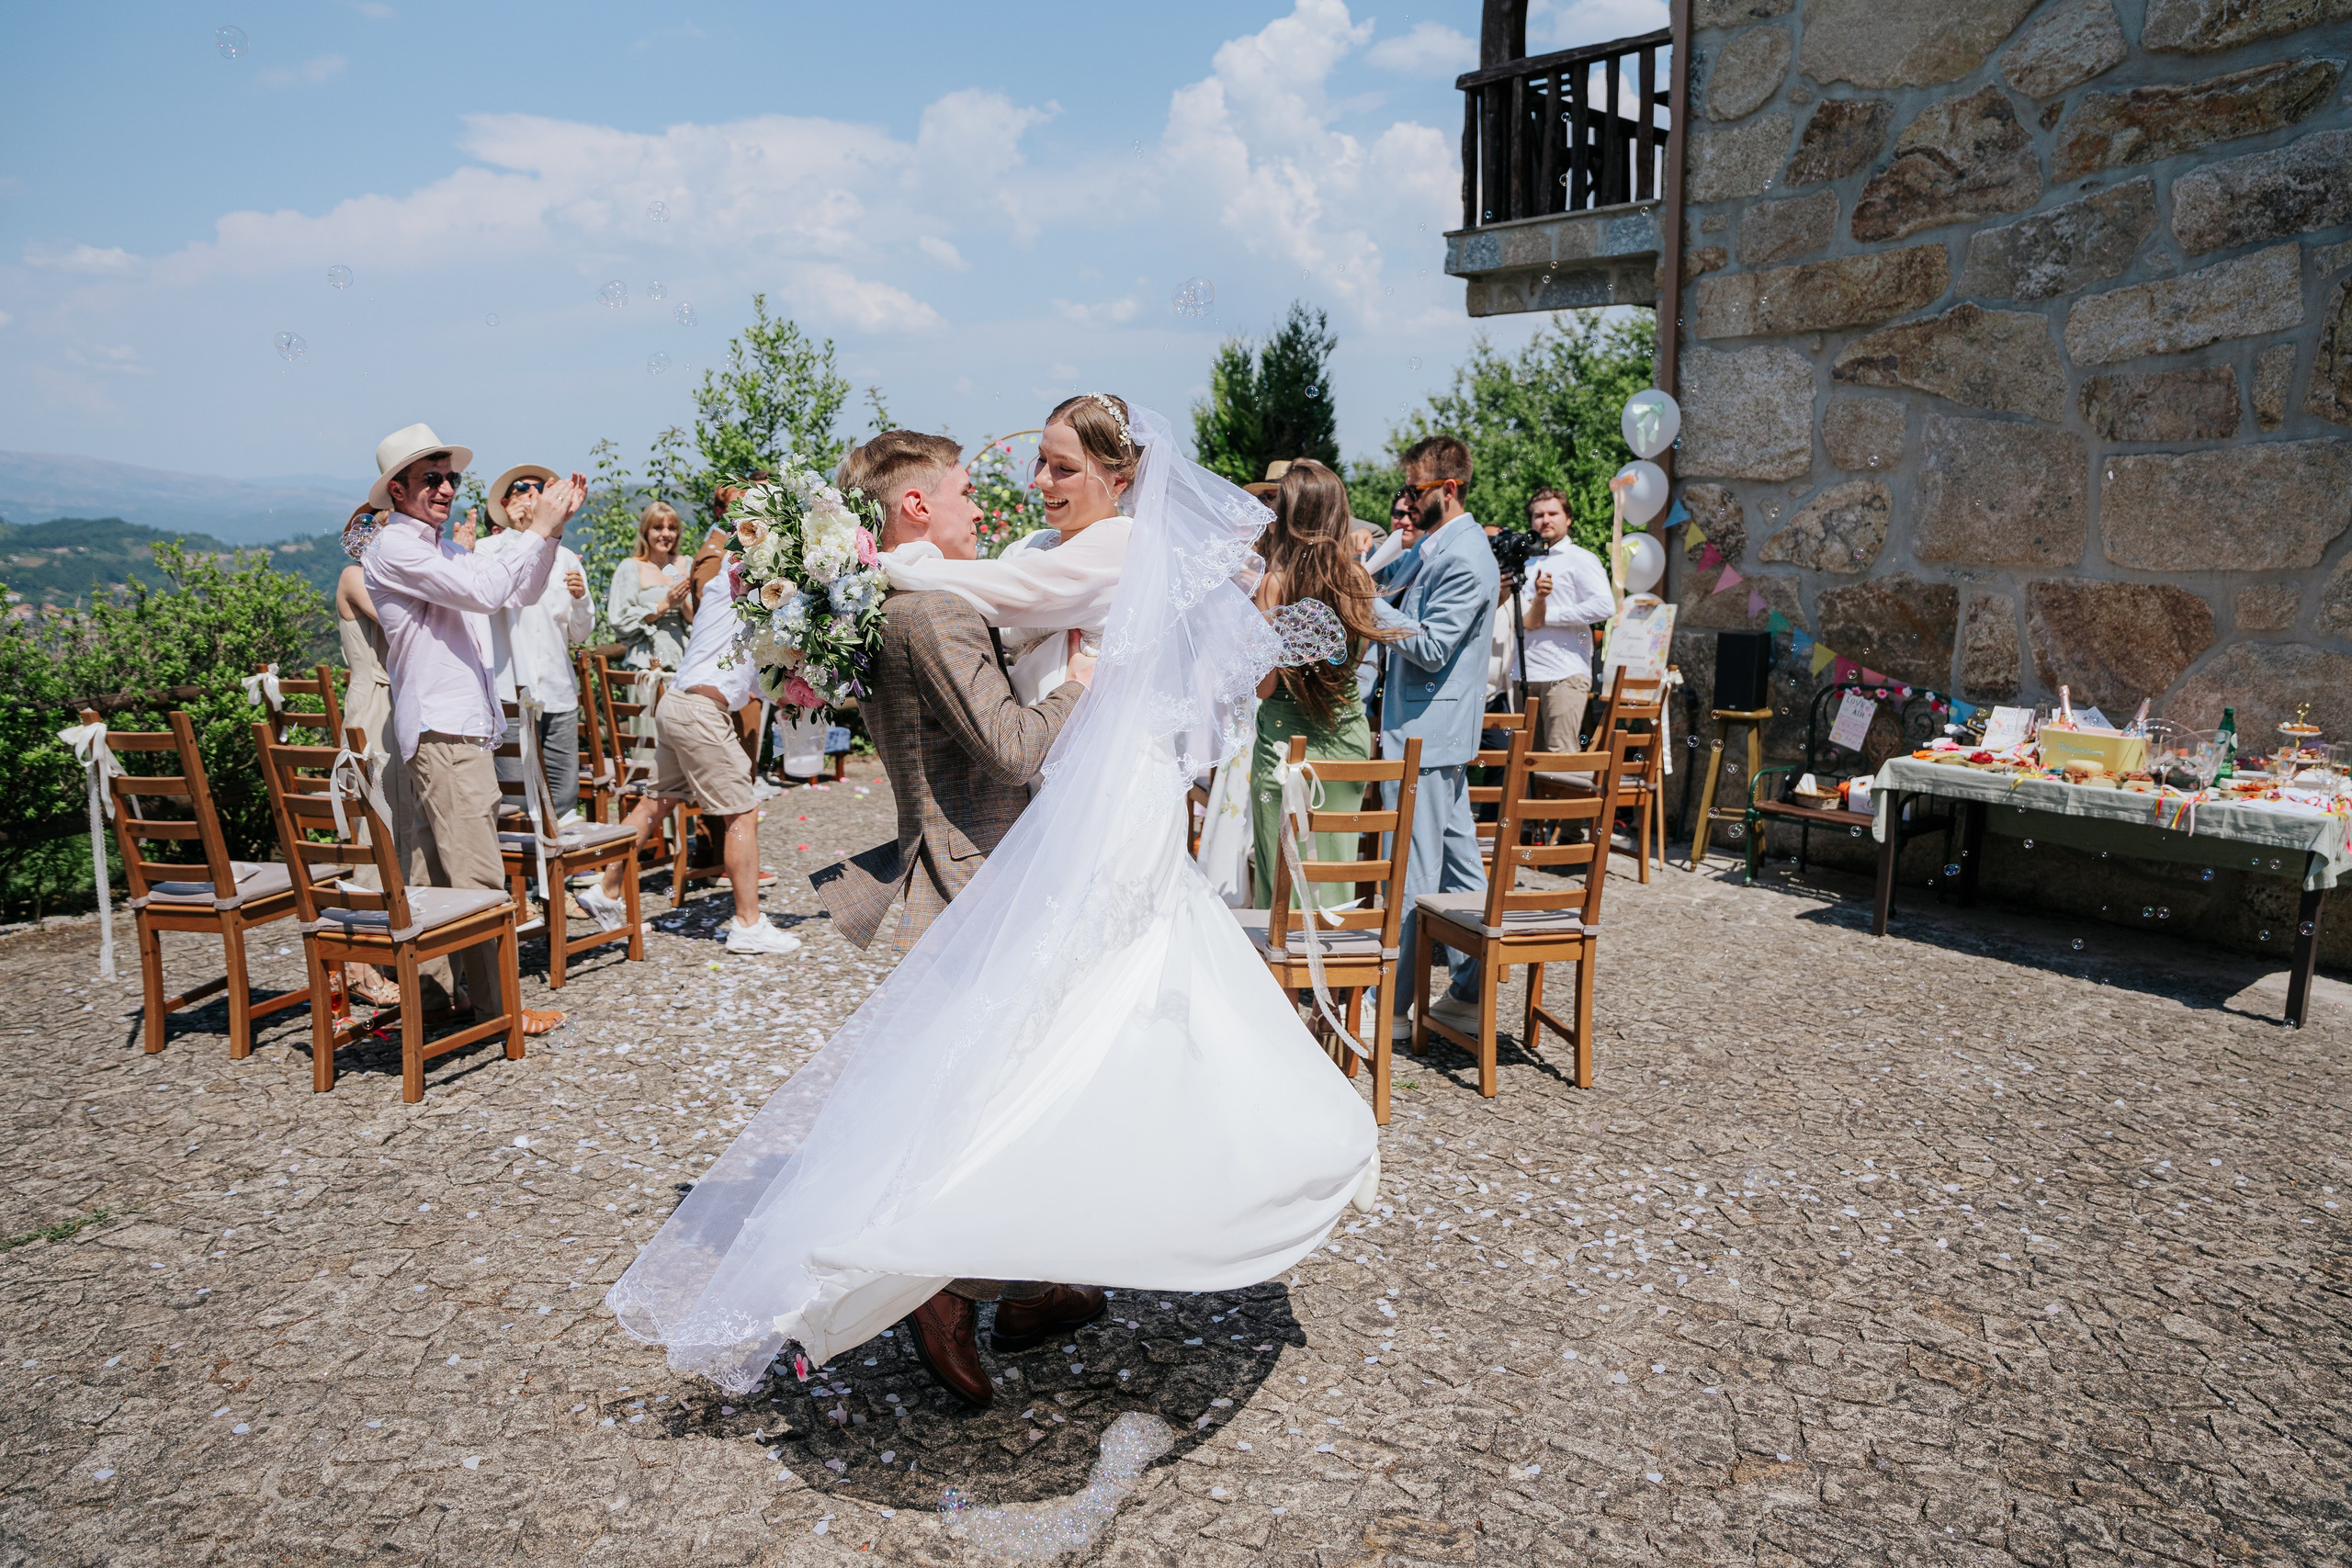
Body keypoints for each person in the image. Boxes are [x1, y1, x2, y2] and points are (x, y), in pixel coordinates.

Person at [608, 395, 1379, 1404]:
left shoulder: (1110, 553)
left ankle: (1023, 1267)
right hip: (1062, 825)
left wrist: (856, 565)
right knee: (1049, 1044)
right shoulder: (1053, 563)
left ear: (1120, 476)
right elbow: (1004, 652)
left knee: (1069, 1039)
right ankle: (978, 1272)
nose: (1038, 486)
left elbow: (996, 589)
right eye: (1038, 467)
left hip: (1100, 820)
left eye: (1062, 468)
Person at [808, 427, 1102, 1403]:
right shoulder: (930, 612)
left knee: (1004, 1087)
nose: (989, 508)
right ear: (917, 508)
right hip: (968, 878)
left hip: (976, 869)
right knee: (973, 1100)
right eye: (969, 492)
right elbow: (1013, 750)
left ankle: (1036, 1282)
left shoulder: (919, 600)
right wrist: (1078, 690)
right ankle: (942, 1295)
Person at [361, 423, 580, 1033]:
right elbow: (487, 590)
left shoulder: (438, 547)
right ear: (397, 490)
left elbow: (518, 588)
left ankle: (437, 998)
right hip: (446, 729)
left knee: (434, 869)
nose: (446, 487)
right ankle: (499, 1008)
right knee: (480, 873)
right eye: (431, 478)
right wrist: (537, 527)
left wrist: (553, 529)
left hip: (446, 726)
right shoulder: (398, 548)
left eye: (450, 476)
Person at [576, 506, 800, 956]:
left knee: (655, 802)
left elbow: (751, 674)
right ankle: (748, 925)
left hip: (676, 704)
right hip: (700, 711)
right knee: (740, 812)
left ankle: (606, 891)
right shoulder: (737, 584)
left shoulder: (733, 597)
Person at [1371, 435, 1498, 1042]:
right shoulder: (1433, 547)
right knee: (1461, 870)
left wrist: (1365, 607)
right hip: (1433, 734)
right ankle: (1471, 991)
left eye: (1416, 489)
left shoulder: (1467, 557)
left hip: (1427, 736)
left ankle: (1392, 1007)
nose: (1407, 500)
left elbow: (1429, 647)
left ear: (1448, 490)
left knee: (1412, 873)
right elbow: (1386, 585)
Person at [1249, 459, 1403, 910]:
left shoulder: (1273, 585)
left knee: (1282, 881)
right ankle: (1339, 972)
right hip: (1346, 743)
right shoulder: (1358, 580)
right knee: (1334, 872)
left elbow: (1262, 688)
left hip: (1283, 745)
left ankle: (1282, 974)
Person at [479, 464, 594, 826]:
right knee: (515, 791)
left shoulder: (565, 556)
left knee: (563, 791)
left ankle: (569, 871)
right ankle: (524, 876)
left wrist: (580, 599)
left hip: (558, 686)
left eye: (538, 487)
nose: (531, 493)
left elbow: (581, 633)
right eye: (520, 488)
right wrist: (516, 534)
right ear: (504, 502)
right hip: (510, 687)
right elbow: (490, 597)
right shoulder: (488, 549)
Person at [332, 505, 403, 1008]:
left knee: (396, 832)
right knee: (371, 831)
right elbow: (397, 619)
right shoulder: (355, 577)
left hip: (393, 704)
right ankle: (358, 965)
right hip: (371, 707)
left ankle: (380, 952)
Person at [1514, 488, 1615, 754]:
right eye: (1538, 515)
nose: (1545, 520)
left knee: (1559, 759)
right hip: (1521, 673)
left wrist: (1548, 616)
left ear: (1567, 518)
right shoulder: (1522, 561)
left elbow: (1605, 605)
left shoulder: (1580, 559)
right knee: (1522, 763)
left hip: (1564, 673)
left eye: (1552, 513)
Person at [607, 501, 693, 671]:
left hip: (687, 658)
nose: (666, 534)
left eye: (672, 528)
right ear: (646, 531)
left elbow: (700, 618)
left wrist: (682, 601)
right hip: (646, 659)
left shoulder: (687, 563)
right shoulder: (630, 567)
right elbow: (620, 619)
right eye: (658, 528)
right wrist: (666, 603)